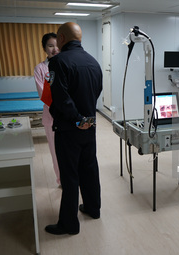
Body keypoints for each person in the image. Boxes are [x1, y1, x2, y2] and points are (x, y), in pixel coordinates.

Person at [45, 22, 103, 235]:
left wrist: (77, 119)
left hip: (69, 129)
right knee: (89, 169)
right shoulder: (94, 62)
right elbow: (97, 92)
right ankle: (93, 208)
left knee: (70, 176)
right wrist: (85, 119)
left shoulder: (58, 62)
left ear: (61, 39)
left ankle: (69, 224)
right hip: (90, 125)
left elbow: (61, 98)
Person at [34, 33, 60, 185]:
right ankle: (61, 179)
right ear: (44, 48)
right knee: (55, 152)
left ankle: (73, 178)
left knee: (69, 151)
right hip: (51, 118)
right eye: (50, 46)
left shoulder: (66, 64)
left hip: (68, 117)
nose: (55, 49)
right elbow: (43, 95)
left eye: (57, 45)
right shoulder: (40, 68)